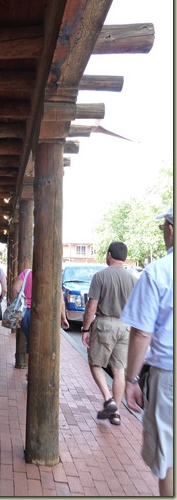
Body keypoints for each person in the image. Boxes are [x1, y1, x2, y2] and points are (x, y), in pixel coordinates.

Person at [120, 207, 173, 496]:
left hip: (168, 377)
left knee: (169, 457)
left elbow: (141, 333)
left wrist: (131, 380)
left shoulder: (159, 272)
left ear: (171, 230)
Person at [81, 241, 137, 426]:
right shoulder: (133, 279)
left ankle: (108, 399)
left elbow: (91, 307)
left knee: (94, 363)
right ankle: (116, 413)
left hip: (105, 324)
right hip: (126, 326)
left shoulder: (100, 276)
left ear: (109, 255)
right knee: (119, 369)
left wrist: (86, 329)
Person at [11, 269, 69, 354]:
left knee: (31, 341)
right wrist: (63, 318)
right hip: (45, 315)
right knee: (40, 344)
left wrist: (16, 306)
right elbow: (61, 301)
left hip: (25, 313)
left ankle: (29, 355)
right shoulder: (52, 277)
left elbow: (15, 289)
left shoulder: (26, 273)